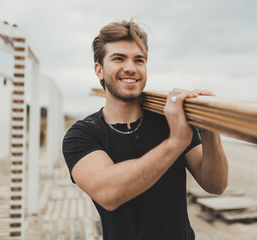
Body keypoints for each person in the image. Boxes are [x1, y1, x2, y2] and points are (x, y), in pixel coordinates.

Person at [62, 19, 228, 240]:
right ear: (99, 70)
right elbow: (109, 193)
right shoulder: (82, 135)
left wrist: (209, 128)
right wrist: (176, 141)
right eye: (119, 58)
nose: (130, 67)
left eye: (139, 60)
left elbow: (215, 185)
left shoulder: (168, 120)